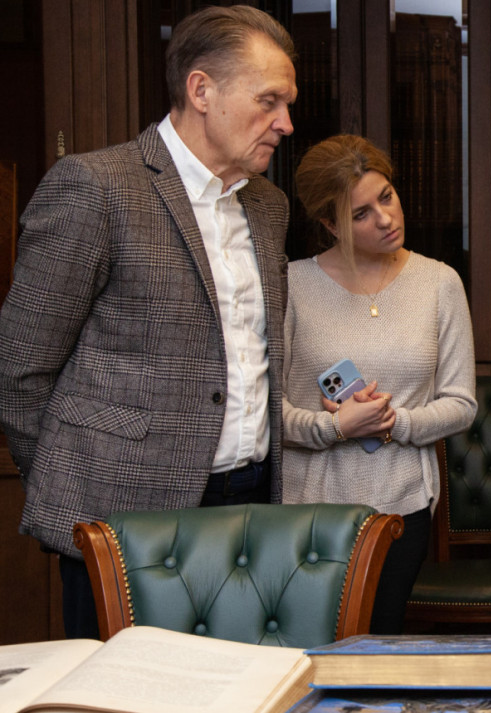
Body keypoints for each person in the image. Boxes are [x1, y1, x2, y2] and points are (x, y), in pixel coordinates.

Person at [0, 5, 297, 639]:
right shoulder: (96, 187)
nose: (286, 123)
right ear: (201, 89)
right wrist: (76, 497)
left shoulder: (270, 208)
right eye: (269, 100)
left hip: (248, 508)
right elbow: (20, 367)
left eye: (288, 103)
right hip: (121, 520)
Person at [284, 134, 476, 635]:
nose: (386, 219)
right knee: (308, 650)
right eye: (361, 214)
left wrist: (394, 421)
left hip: (402, 503)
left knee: (378, 642)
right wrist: (335, 427)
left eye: (386, 197)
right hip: (306, 509)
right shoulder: (291, 285)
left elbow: (461, 404)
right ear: (329, 224)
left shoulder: (440, 282)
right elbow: (264, 411)